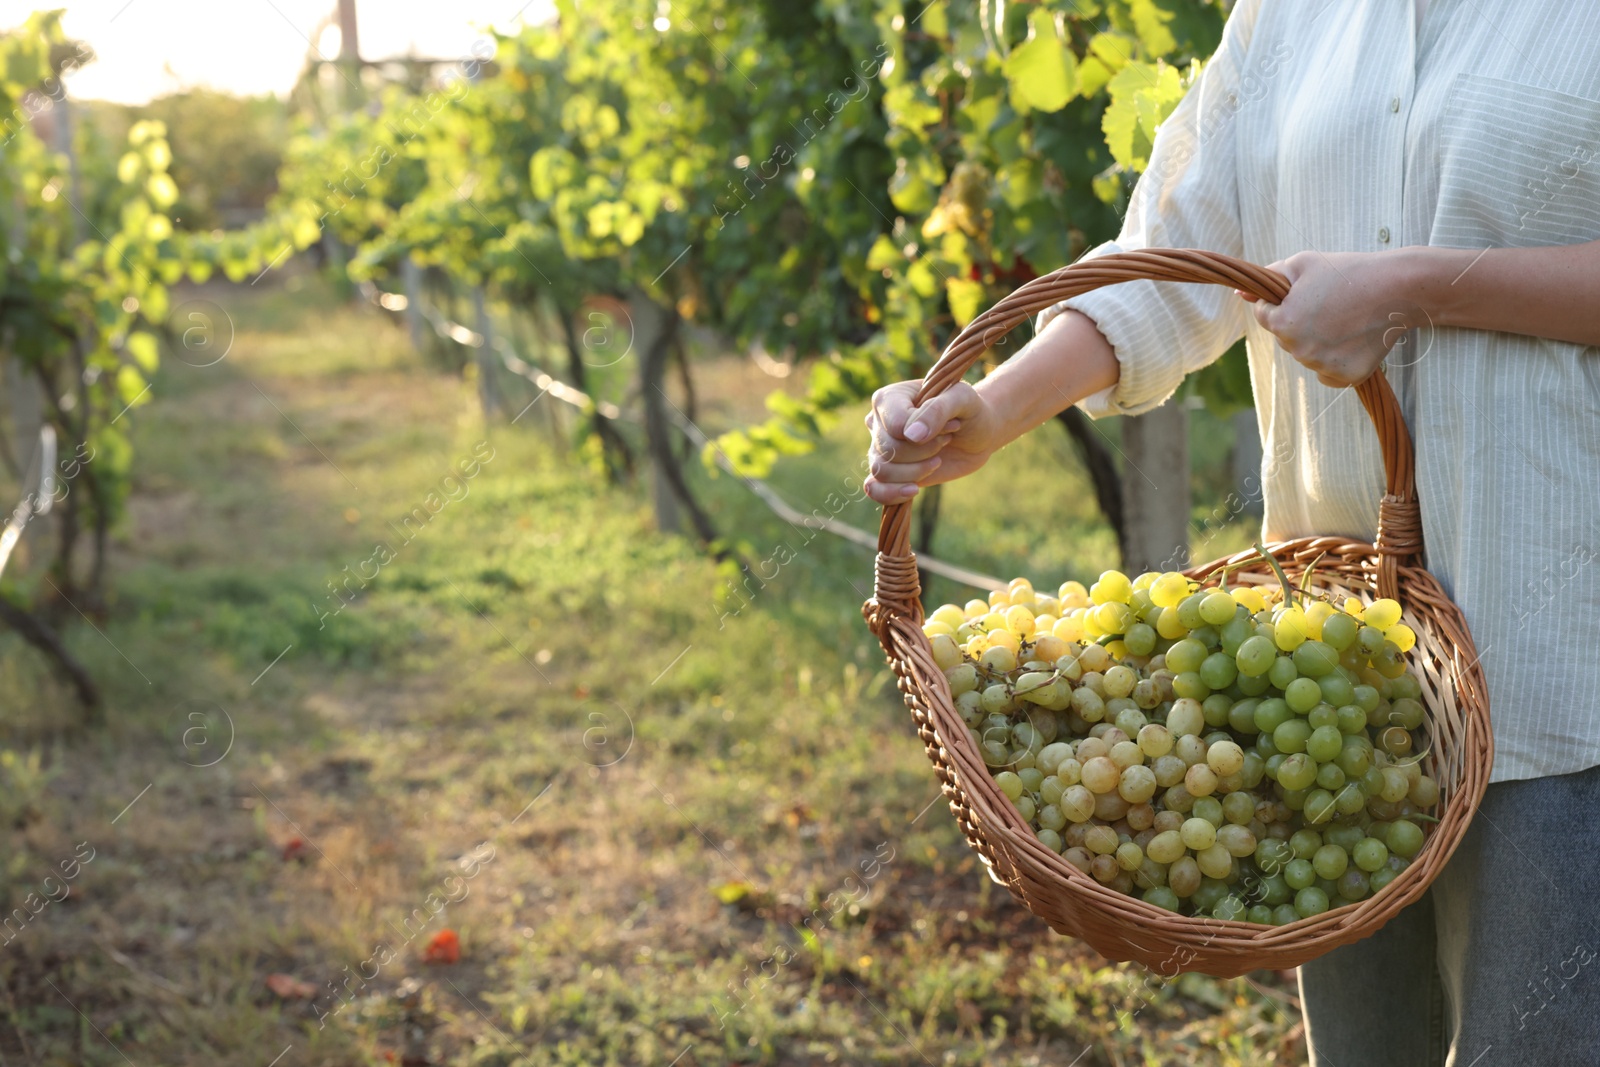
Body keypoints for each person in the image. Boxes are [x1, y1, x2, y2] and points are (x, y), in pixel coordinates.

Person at [864, 1, 1600, 1063]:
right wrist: (993, 407)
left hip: (1568, 662)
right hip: (1339, 684)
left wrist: (1411, 289)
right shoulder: (1290, 14)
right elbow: (1173, 251)